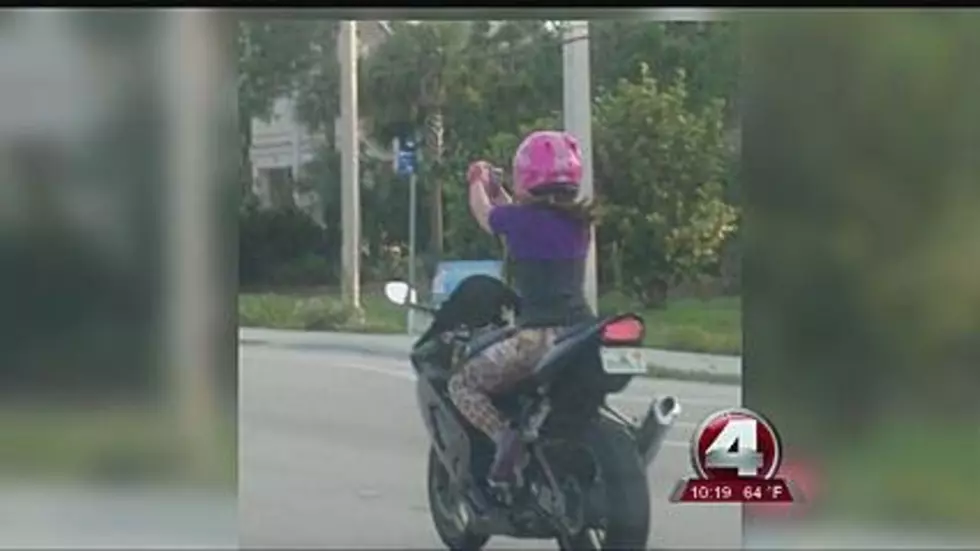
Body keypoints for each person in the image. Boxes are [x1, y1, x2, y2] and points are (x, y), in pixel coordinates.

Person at [447, 130, 597, 489]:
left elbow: (486, 215)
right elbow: (522, 222)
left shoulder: (522, 221)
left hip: (538, 337)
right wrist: (503, 196)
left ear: (528, 176)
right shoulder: (578, 222)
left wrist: (476, 182)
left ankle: (505, 441)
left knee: (462, 383)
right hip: (581, 331)